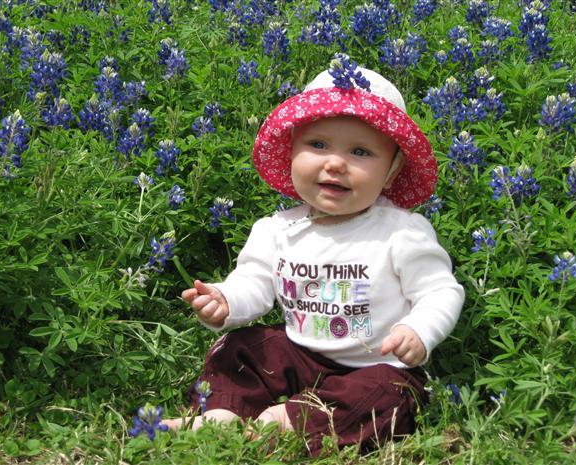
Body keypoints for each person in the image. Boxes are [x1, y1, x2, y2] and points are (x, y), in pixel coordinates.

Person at [162, 58, 465, 455]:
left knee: (390, 396)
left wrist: (420, 331)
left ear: (391, 173)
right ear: (291, 154)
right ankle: (221, 415)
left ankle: (286, 424)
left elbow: (441, 291)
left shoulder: (402, 232)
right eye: (317, 145)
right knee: (242, 346)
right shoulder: (276, 229)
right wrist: (226, 300)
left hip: (375, 365)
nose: (335, 163)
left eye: (360, 151)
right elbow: (254, 283)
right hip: (297, 353)